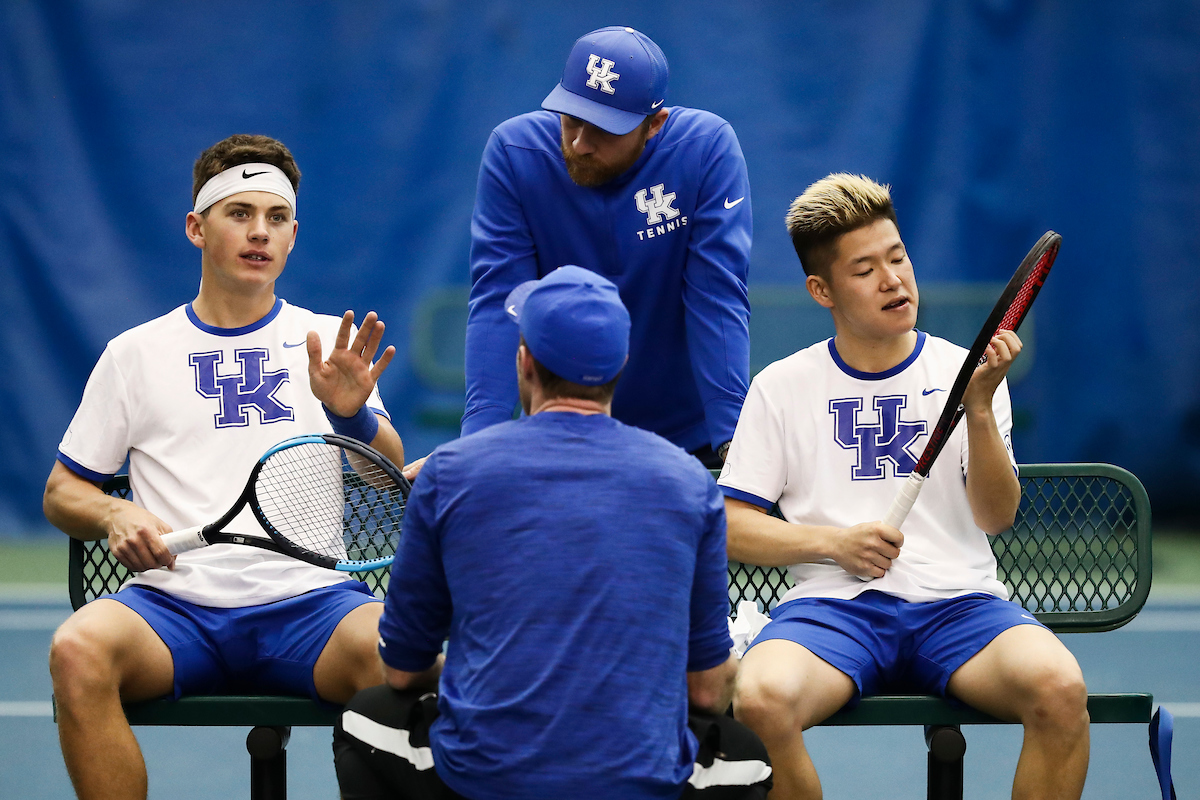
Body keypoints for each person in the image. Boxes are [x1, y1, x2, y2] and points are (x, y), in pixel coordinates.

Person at [44, 134, 405, 800]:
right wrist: (113, 509)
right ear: (196, 226)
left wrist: (351, 417)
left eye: (274, 218)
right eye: (238, 213)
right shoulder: (135, 354)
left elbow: (389, 484)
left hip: (315, 609)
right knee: (76, 650)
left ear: (293, 235)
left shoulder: (329, 344)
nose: (258, 232)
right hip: (172, 612)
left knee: (410, 662)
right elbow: (63, 491)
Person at [333, 266, 771, 800]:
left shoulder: (449, 472)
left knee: (365, 722)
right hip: (641, 783)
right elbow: (706, 687)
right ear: (621, 364)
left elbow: (401, 672)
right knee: (747, 759)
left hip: (484, 780)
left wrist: (479, 674)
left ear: (523, 362)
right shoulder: (689, 482)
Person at [721, 174, 1089, 800]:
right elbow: (730, 525)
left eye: (898, 258)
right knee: (758, 701)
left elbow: (997, 517)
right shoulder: (781, 387)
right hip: (832, 612)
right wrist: (833, 545)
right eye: (864, 269)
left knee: (1060, 690)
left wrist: (976, 408)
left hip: (960, 606)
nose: (893, 279)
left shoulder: (963, 371)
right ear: (821, 290)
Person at [455, 25, 752, 472]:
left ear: (654, 125)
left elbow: (715, 297)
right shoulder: (514, 152)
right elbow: (500, 305)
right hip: (561, 440)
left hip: (689, 446)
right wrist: (477, 445)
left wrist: (735, 441)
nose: (579, 144)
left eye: (603, 130)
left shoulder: (705, 148)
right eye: (571, 118)